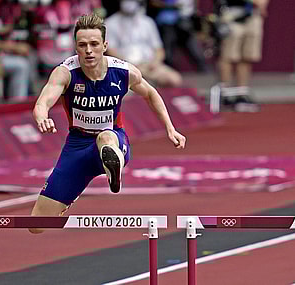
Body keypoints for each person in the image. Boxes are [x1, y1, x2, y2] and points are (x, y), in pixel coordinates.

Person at [29, 13, 186, 233]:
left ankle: (114, 167)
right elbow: (42, 102)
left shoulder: (123, 71)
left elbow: (151, 94)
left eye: (94, 44)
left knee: (105, 136)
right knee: (36, 225)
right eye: (82, 45)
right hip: (77, 146)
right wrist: (42, 117)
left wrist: (171, 129)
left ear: (105, 45)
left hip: (113, 139)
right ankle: (73, 189)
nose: (88, 50)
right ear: (76, 48)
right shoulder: (65, 73)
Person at [105, 0, 182, 87]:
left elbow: (159, 50)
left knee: (174, 79)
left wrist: (155, 63)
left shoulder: (147, 22)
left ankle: (149, 84)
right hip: (125, 66)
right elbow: (110, 51)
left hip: (149, 65)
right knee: (120, 89)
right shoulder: (110, 23)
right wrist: (130, 65)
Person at [215, 0, 269, 112]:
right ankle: (225, 94)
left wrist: (262, 3)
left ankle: (241, 94)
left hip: (253, 15)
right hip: (232, 14)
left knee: (247, 56)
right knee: (228, 56)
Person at [149, 0, 209, 72]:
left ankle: (204, 71)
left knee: (193, 47)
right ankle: (170, 73)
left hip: (184, 21)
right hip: (167, 22)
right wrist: (170, 6)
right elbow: (153, 2)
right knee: (168, 51)